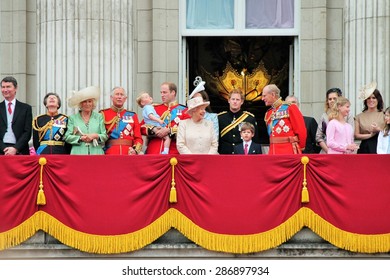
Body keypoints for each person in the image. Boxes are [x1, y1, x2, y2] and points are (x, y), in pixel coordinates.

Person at [140, 82, 190, 154]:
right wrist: (154, 131)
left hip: (173, 153)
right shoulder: (154, 109)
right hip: (153, 151)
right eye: (161, 92)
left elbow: (187, 130)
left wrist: (169, 130)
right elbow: (141, 127)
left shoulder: (184, 111)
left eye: (164, 92)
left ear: (173, 92)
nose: (162, 95)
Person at [262, 84, 307, 154]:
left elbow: (301, 129)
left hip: (288, 151)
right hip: (273, 152)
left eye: (264, 96)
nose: (262, 98)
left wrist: (300, 147)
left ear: (273, 95)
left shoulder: (290, 107)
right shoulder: (268, 113)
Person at [64, 86, 108, 155]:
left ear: (93, 103)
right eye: (84, 102)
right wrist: (80, 138)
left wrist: (95, 136)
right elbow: (67, 137)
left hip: (96, 153)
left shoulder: (99, 117)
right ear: (80, 104)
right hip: (78, 153)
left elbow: (104, 136)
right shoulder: (73, 118)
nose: (87, 104)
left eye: (89, 101)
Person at [100, 87, 143, 155]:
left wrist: (135, 150)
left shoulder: (133, 115)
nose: (119, 97)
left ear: (125, 98)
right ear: (111, 97)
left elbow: (138, 138)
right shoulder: (103, 114)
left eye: (122, 95)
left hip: (129, 153)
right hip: (110, 153)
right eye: (117, 94)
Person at [218, 88, 259, 154]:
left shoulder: (249, 118)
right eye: (233, 99)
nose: (235, 102)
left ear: (242, 102)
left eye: (237, 99)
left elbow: (255, 140)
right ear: (229, 100)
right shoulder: (220, 118)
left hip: (242, 154)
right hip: (224, 154)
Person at [315, 87, 354, 154]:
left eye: (334, 98)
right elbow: (319, 137)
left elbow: (351, 135)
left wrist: (349, 149)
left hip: (346, 153)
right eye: (330, 99)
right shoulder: (324, 116)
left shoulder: (348, 115)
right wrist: (328, 151)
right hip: (328, 152)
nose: (332, 101)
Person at [0, 76, 32, 155]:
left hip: (20, 150)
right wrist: (4, 149)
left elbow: (27, 132)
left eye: (8, 87)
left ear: (16, 88)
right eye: (3, 87)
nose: (5, 90)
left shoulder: (26, 108)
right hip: (1, 150)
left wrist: (15, 148)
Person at [354, 82, 385, 154]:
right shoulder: (359, 117)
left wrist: (379, 130)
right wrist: (370, 135)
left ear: (378, 99)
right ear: (365, 100)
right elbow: (356, 135)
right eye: (368, 98)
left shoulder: (384, 115)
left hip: (382, 146)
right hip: (365, 147)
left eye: (374, 98)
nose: (371, 100)